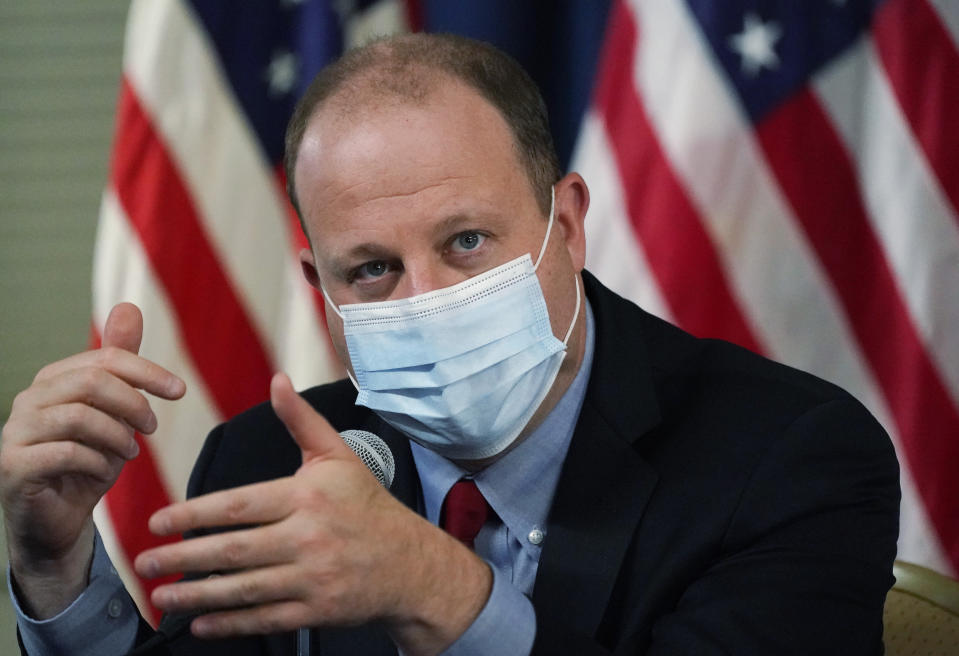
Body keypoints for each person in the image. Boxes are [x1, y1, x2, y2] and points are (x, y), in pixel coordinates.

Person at [2, 33, 900, 655]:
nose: (427, 299)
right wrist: (55, 565)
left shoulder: (791, 459)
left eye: (467, 241)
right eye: (372, 269)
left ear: (569, 225)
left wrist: (434, 590)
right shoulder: (264, 461)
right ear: (321, 291)